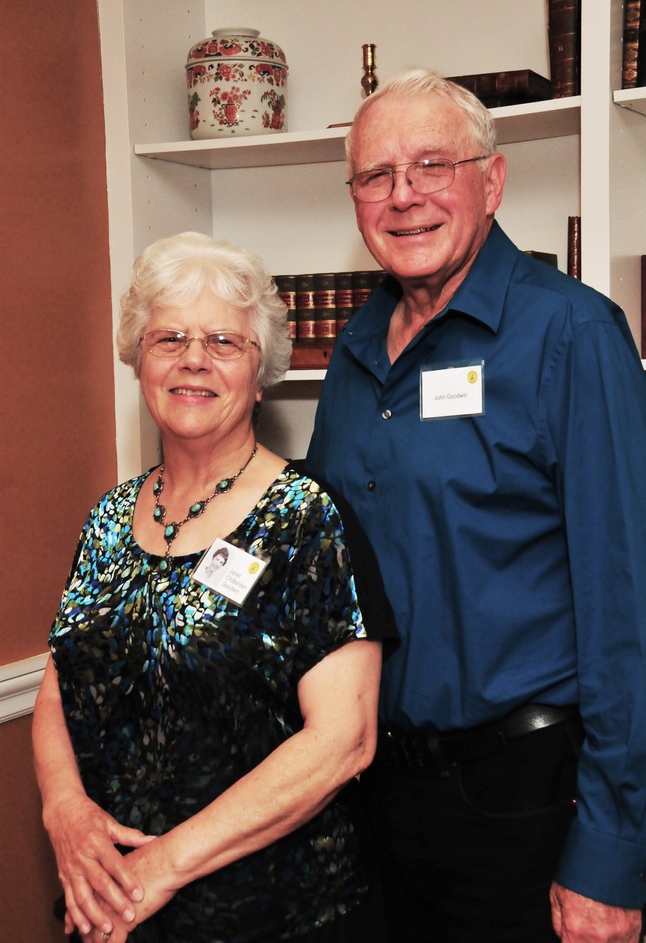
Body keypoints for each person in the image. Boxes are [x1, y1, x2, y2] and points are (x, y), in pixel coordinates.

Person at [305, 68, 646, 943]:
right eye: (375, 175)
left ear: (491, 182)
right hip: (373, 800)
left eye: (431, 165)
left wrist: (611, 852)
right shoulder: (352, 353)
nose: (403, 195)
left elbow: (628, 606)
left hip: (526, 801)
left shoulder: (572, 334)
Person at [32, 232, 395, 943]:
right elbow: (57, 686)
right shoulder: (108, 518)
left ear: (261, 375)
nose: (193, 359)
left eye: (224, 341)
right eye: (169, 338)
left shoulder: (307, 520)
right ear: (140, 361)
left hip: (274, 918)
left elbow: (343, 741)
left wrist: (158, 869)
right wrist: (64, 811)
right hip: (112, 909)